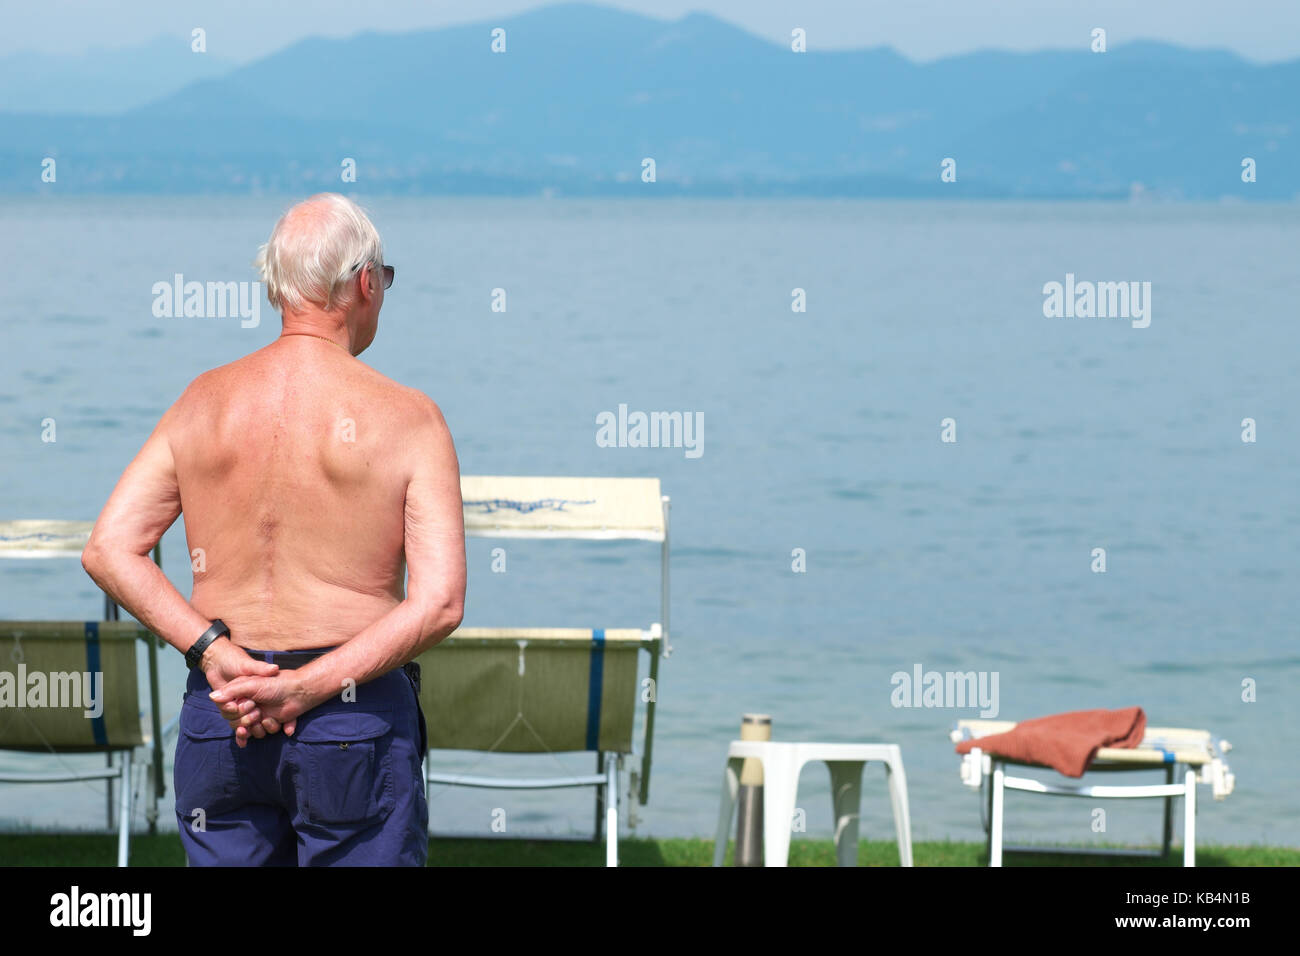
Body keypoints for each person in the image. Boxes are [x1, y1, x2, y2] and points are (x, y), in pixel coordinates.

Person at [81, 193, 466, 866]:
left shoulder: (203, 400)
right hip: (351, 724)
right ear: (365, 282)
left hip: (222, 714)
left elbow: (110, 550)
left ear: (275, 288)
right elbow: (439, 604)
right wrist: (306, 688)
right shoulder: (409, 418)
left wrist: (211, 651)